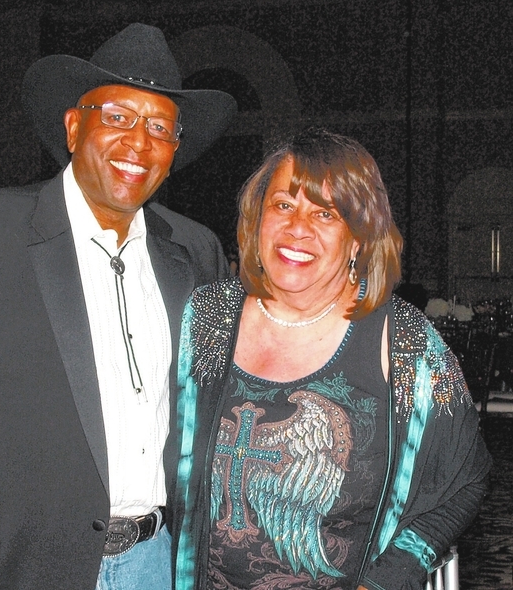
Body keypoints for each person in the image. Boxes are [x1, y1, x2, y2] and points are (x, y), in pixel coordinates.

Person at [0, 23, 236, 590]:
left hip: (158, 564)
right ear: (74, 127)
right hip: (19, 570)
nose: (139, 142)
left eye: (160, 127)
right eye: (117, 116)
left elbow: (216, 415)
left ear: (174, 150)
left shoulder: (198, 253)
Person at [172, 129, 491, 590]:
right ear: (257, 219)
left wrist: (386, 579)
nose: (297, 228)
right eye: (283, 205)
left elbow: (465, 480)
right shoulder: (206, 318)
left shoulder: (404, 342)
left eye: (325, 213)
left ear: (359, 237)